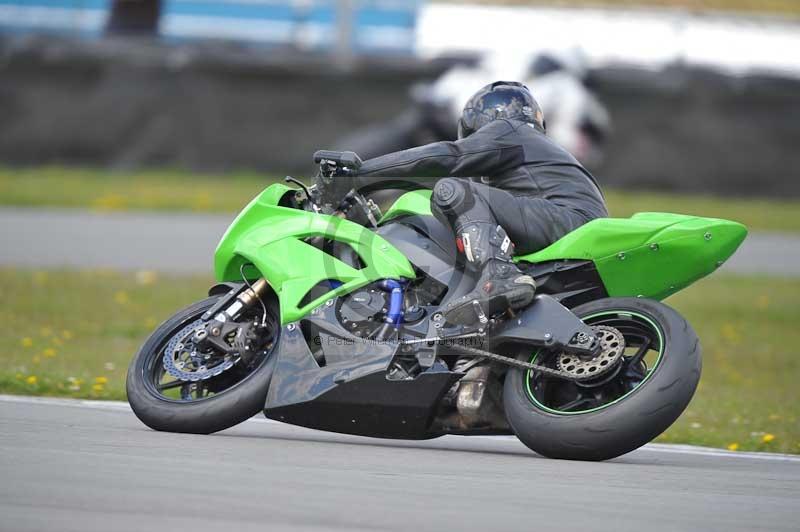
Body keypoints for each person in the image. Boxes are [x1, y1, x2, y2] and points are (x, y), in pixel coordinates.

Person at [357, 81, 608, 326]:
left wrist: (359, 174)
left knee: (452, 190)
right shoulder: (536, 150)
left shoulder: (509, 129)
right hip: (575, 228)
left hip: (567, 220)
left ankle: (499, 277)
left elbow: (448, 156)